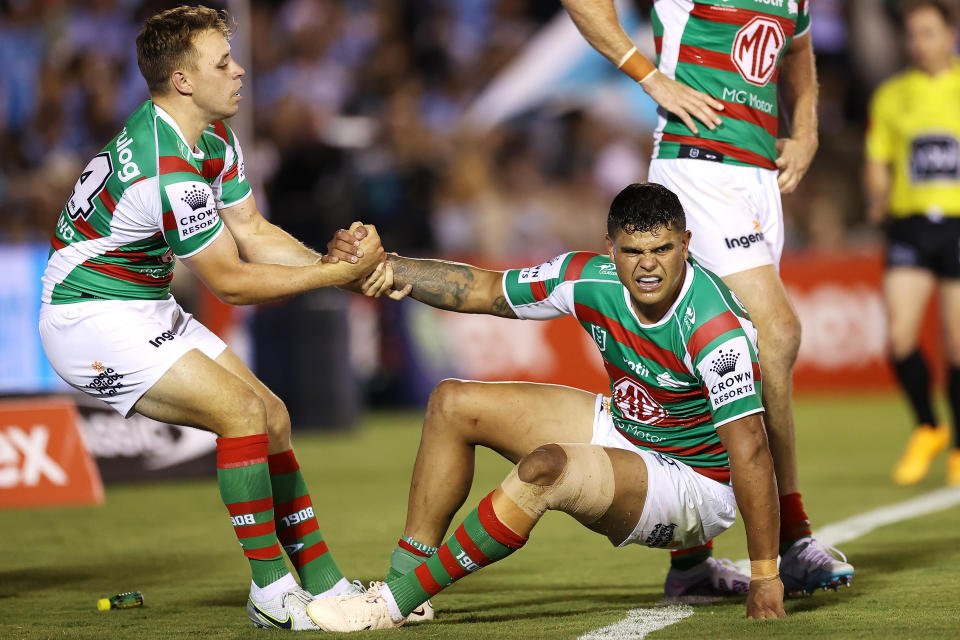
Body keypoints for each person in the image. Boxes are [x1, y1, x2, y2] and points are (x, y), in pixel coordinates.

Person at [37, 5, 384, 631]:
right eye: (223, 62)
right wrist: (338, 275)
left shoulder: (211, 136)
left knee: (271, 415)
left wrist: (335, 266)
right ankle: (272, 592)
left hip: (139, 304)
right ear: (183, 81)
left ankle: (326, 584)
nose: (241, 70)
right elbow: (232, 283)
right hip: (89, 321)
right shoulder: (167, 168)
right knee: (243, 414)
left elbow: (251, 231)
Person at [307, 183, 786, 631]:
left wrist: (765, 577)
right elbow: (485, 289)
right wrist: (381, 265)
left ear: (685, 243)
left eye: (662, 249)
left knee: (546, 469)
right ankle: (406, 583)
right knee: (453, 402)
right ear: (610, 248)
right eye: (633, 251)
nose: (648, 267)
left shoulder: (714, 328)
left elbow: (750, 454)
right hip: (627, 428)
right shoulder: (585, 278)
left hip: (695, 485)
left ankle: (390, 603)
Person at [557, 0, 854, 595]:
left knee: (722, 348)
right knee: (778, 332)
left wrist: (807, 124)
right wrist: (649, 75)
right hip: (697, 165)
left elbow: (796, 44)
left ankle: (691, 561)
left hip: (758, 175)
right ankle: (791, 541)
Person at [865, 0, 960, 487]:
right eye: (912, 34)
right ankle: (928, 424)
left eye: (927, 32)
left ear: (949, 34)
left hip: (958, 225)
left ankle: (959, 447)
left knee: (958, 345)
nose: (918, 42)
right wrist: (878, 193)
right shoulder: (892, 95)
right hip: (910, 225)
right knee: (901, 337)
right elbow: (879, 156)